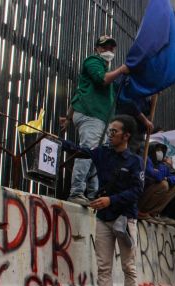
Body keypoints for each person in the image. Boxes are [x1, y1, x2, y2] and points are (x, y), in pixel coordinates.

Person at [60, 114, 143, 286]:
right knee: (103, 267)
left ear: (126, 135)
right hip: (104, 219)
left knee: (128, 267)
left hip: (125, 219)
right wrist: (57, 139)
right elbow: (82, 151)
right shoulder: (103, 154)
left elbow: (137, 191)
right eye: (109, 131)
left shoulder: (135, 161)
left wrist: (111, 200)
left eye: (114, 132)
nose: (110, 135)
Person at [60, 35, 130, 206]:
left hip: (99, 119)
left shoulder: (107, 71)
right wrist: (121, 70)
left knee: (98, 156)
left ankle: (92, 194)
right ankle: (76, 191)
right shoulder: (93, 61)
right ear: (97, 49)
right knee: (88, 152)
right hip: (91, 115)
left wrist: (69, 117)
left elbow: (79, 92)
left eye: (111, 48)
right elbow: (102, 80)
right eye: (104, 47)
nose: (108, 50)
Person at [137, 143, 175, 221]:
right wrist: (162, 174)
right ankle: (142, 211)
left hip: (150, 192)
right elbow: (157, 177)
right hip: (141, 196)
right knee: (164, 185)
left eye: (161, 150)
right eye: (158, 150)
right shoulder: (146, 159)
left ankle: (152, 213)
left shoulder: (162, 165)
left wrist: (167, 178)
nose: (160, 153)